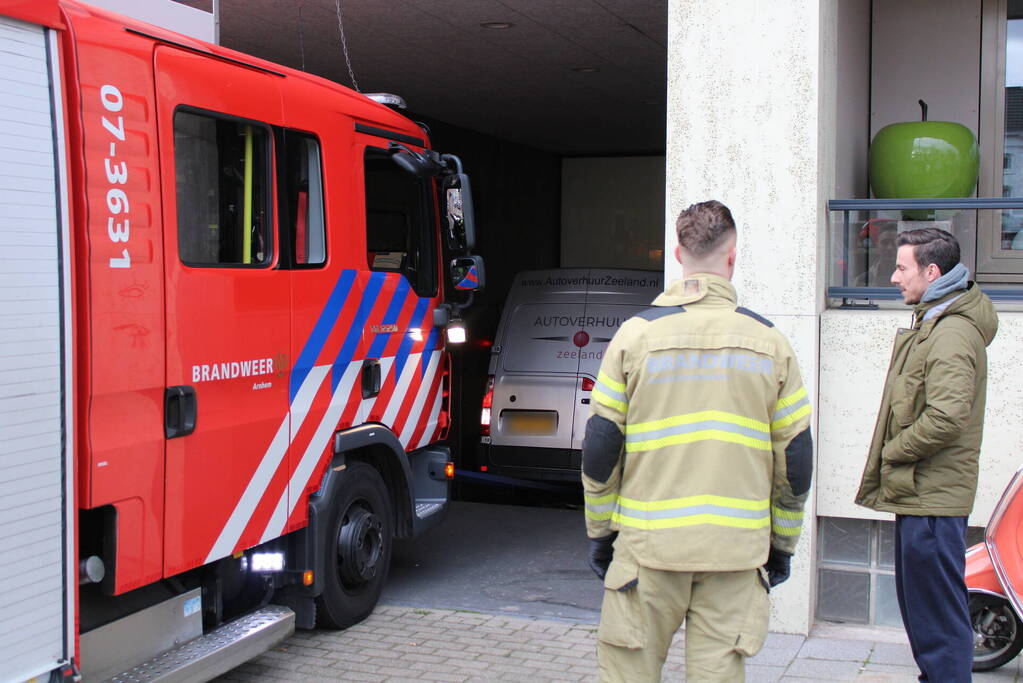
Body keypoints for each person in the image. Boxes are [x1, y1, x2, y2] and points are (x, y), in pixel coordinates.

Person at [582, 200, 813, 682]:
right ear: (732, 257)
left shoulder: (635, 336)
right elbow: (796, 460)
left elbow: (602, 452)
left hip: (648, 552)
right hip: (736, 554)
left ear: (677, 254)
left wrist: (601, 534)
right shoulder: (770, 343)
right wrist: (783, 545)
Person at [855, 227, 998, 682]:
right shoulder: (934, 320)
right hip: (921, 492)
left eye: (902, 267)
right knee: (926, 611)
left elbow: (946, 418)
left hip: (933, 496)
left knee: (937, 618)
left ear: (931, 271)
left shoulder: (952, 332)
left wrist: (892, 452)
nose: (894, 277)